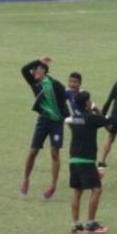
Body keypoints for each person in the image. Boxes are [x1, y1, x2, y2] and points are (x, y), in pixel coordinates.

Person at [65, 91, 117, 234]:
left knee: (77, 191)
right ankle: (91, 224)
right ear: (86, 103)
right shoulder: (90, 118)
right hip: (86, 160)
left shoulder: (75, 118)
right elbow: (110, 120)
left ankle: (76, 225)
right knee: (96, 189)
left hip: (73, 159)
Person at [20, 56, 71, 199]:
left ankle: (53, 185)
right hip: (43, 121)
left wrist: (68, 120)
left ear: (43, 71)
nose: (33, 72)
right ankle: (26, 179)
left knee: (55, 153)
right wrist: (38, 60)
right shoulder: (34, 83)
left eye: (36, 69)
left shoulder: (55, 84)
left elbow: (63, 103)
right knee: (33, 151)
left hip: (56, 123)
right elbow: (23, 70)